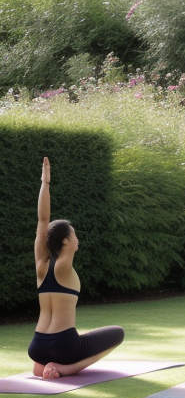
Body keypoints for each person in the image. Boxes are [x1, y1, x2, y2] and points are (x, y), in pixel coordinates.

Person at [28, 157, 125, 379]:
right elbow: (45, 224)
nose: (77, 239)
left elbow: (42, 222)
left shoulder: (41, 266)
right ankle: (66, 368)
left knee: (81, 337)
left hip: (37, 345)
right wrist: (46, 182)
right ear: (65, 242)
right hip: (63, 346)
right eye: (74, 235)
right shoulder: (63, 266)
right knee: (118, 333)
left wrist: (45, 183)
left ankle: (41, 364)